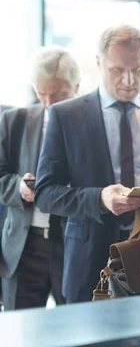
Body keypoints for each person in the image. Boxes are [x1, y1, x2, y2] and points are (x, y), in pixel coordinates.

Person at [35, 24, 140, 303]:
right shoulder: (66, 116)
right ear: (98, 63)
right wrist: (99, 198)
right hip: (90, 259)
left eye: (138, 70)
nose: (129, 80)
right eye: (118, 70)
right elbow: (45, 194)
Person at [0, 47, 80, 310]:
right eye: (40, 93)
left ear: (75, 87)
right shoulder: (13, 121)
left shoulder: (90, 126)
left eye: (56, 95)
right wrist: (19, 187)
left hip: (71, 244)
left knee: (76, 329)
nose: (47, 102)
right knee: (18, 332)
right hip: (23, 248)